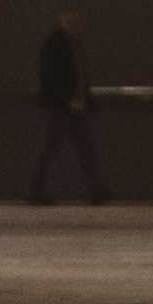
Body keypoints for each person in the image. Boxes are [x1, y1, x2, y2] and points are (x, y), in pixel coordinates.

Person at [21, 14, 107, 206]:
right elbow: (55, 76)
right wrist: (70, 99)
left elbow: (75, 75)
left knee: (80, 148)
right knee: (58, 148)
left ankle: (97, 189)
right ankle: (36, 189)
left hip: (69, 105)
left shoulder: (69, 43)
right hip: (63, 107)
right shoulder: (57, 44)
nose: (75, 25)